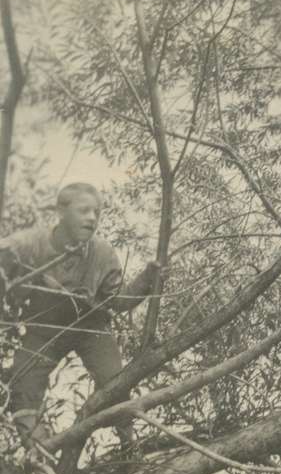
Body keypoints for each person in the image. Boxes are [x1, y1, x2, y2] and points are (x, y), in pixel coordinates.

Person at [0, 182, 162, 451]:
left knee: (116, 383)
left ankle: (130, 452)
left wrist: (148, 280)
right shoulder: (29, 243)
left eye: (97, 212)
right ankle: (41, 454)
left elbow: (118, 301)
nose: (92, 218)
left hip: (91, 327)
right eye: (84, 210)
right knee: (24, 384)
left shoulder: (103, 253)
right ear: (61, 211)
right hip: (45, 328)